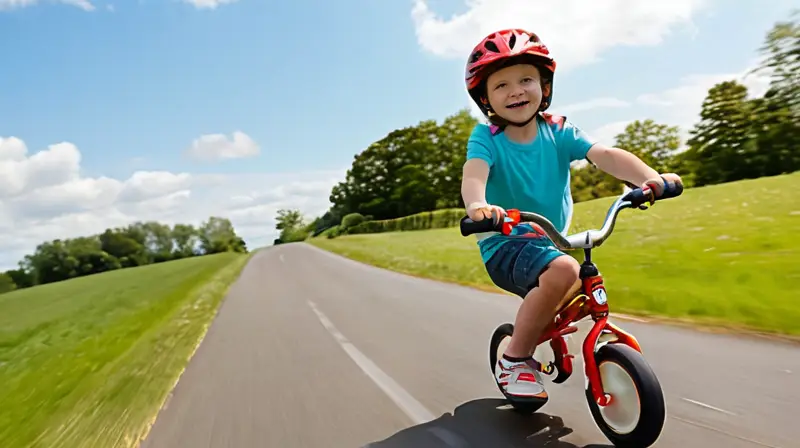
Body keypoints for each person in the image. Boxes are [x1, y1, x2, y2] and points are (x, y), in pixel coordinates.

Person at [461, 28, 682, 406]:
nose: (516, 90)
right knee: (565, 271)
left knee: (578, 279)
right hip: (504, 242)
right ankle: (514, 359)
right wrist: (479, 206)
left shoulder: (559, 130)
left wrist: (650, 178)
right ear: (486, 99)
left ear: (544, 86)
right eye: (501, 85)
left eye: (526, 79)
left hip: (548, 241)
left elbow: (606, 155)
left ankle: (540, 334)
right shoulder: (487, 137)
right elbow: (474, 172)